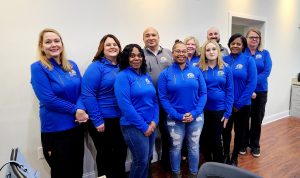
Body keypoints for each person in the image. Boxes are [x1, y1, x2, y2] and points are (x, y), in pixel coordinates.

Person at [30, 28, 88, 178]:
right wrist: (76, 110)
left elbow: (82, 91)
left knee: (76, 169)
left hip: (76, 125)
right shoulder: (38, 68)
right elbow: (48, 99)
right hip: (56, 130)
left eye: (57, 40)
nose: (53, 44)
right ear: (41, 46)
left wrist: (80, 108)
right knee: (62, 172)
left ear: (62, 43)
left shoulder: (71, 65)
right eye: (48, 42)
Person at [158, 40, 207, 178]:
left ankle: (193, 173)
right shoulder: (165, 74)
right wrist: (177, 115)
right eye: (178, 51)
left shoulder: (196, 71)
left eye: (184, 51)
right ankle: (176, 174)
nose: (181, 54)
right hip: (174, 119)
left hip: (196, 117)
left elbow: (203, 94)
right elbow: (163, 98)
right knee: (175, 148)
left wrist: (195, 112)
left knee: (193, 147)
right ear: (172, 53)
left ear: (188, 53)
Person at [81, 34, 127, 178]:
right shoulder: (96, 67)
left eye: (115, 44)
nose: (112, 47)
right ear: (102, 48)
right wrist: (97, 120)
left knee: (121, 152)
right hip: (102, 119)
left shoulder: (123, 66)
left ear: (119, 47)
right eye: (108, 44)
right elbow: (88, 94)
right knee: (105, 154)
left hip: (120, 118)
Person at [114, 44, 159, 178]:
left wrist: (154, 122)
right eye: (132, 55)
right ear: (126, 58)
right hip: (133, 126)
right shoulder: (123, 76)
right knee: (141, 161)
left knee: (147, 158)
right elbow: (125, 106)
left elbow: (155, 100)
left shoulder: (145, 76)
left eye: (139, 55)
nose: (136, 58)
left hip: (150, 124)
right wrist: (144, 127)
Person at [222, 33, 257, 166]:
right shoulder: (223, 59)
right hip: (226, 105)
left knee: (239, 132)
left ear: (243, 46)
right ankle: (226, 155)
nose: (235, 46)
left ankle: (234, 157)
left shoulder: (249, 61)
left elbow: (251, 84)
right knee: (225, 132)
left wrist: (238, 104)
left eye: (238, 44)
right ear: (229, 44)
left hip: (242, 105)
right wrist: (228, 103)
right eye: (233, 43)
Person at [143, 27, 173, 171]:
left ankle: (167, 163)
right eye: (147, 35)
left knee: (167, 134)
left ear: (159, 37)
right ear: (143, 39)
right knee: (149, 134)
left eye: (153, 35)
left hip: (167, 102)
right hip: (148, 104)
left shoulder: (168, 53)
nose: (151, 38)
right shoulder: (140, 55)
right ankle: (147, 167)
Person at [199, 40, 234, 163]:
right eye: (208, 50)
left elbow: (230, 91)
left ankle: (218, 167)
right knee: (205, 139)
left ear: (218, 51)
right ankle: (208, 163)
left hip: (220, 110)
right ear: (204, 53)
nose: (211, 52)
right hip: (203, 110)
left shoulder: (226, 68)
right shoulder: (199, 69)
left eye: (213, 49)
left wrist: (228, 113)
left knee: (217, 140)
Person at [240, 28, 272, 157]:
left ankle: (254, 145)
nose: (254, 39)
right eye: (251, 37)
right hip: (245, 91)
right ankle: (242, 144)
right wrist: (249, 87)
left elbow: (266, 72)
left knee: (257, 119)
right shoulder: (242, 54)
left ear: (260, 40)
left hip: (261, 91)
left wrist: (252, 82)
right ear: (246, 39)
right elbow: (241, 73)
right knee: (243, 118)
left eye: (257, 37)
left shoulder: (265, 53)